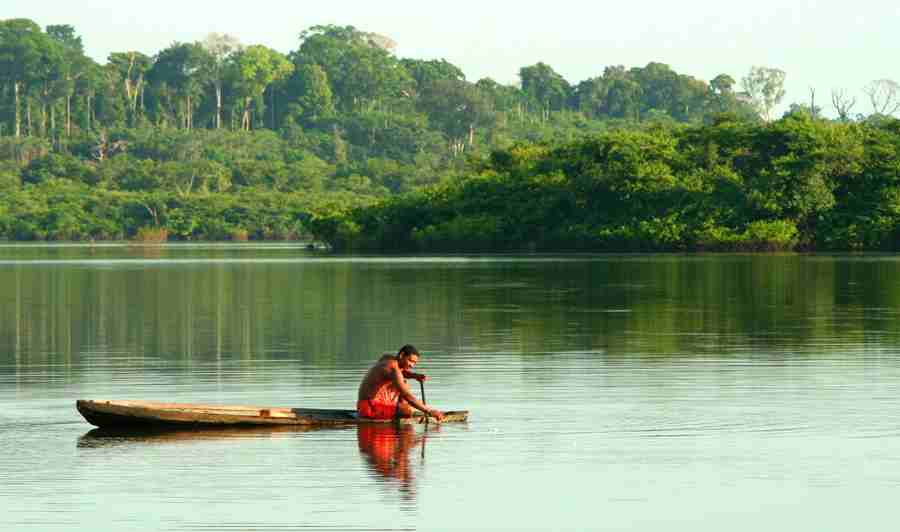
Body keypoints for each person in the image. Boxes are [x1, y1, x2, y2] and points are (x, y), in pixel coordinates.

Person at [357, 344, 444, 421]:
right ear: (402, 355)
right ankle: (401, 412)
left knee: (404, 383)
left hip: (367, 405)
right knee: (407, 410)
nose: (412, 365)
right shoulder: (393, 368)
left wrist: (415, 375)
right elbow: (407, 396)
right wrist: (429, 411)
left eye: (414, 363)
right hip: (369, 407)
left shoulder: (387, 358)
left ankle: (397, 411)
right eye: (410, 361)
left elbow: (400, 372)